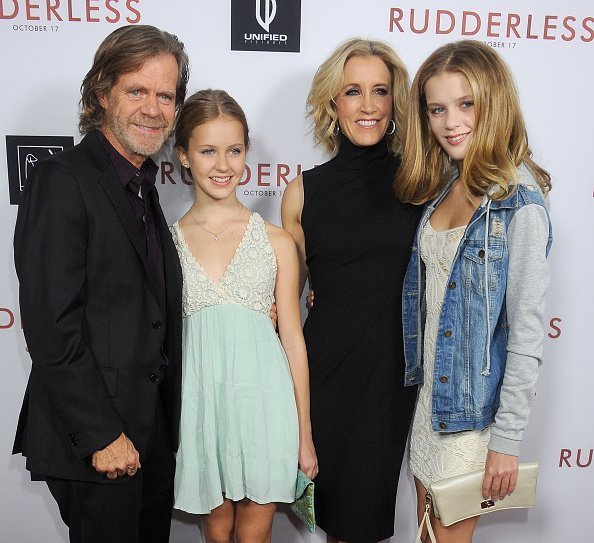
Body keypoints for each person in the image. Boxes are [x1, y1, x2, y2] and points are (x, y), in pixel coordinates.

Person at [12, 25, 189, 543]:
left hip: (149, 433)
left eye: (166, 95)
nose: (154, 108)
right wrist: (102, 435)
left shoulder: (143, 190)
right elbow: (50, 327)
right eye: (137, 91)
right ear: (102, 92)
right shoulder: (63, 180)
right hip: (99, 440)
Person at [394, 40, 552, 543]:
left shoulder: (519, 201)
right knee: (425, 537)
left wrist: (505, 441)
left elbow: (527, 331)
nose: (450, 122)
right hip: (429, 405)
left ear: (494, 102)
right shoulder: (448, 183)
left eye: (466, 105)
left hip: (472, 420)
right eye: (437, 109)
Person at [282, 38, 422, 543]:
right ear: (332, 103)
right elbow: (294, 296)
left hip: (391, 376)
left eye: (380, 91)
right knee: (338, 521)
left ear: (394, 102)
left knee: (365, 520)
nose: (367, 105)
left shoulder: (420, 182)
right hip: (326, 377)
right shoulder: (302, 192)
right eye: (353, 91)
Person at [170, 89, 318, 543]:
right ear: (183, 156)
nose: (223, 165)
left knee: (255, 537)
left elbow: (293, 338)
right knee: (217, 535)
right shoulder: (165, 242)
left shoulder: (276, 242)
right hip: (199, 410)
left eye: (233, 150)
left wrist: (305, 435)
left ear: (247, 153)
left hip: (266, 407)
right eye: (208, 151)